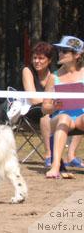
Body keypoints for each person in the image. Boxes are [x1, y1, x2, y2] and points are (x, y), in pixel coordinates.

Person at [42, 36, 84, 179]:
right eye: (59, 50)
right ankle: (55, 167)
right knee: (64, 118)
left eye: (65, 51)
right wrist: (53, 106)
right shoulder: (54, 77)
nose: (60, 53)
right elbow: (44, 108)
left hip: (80, 118)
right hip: (59, 117)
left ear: (77, 55)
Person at [21, 41, 53, 167]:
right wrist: (49, 101)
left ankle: (71, 155)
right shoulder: (27, 71)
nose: (37, 61)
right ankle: (49, 155)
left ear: (49, 60)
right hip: (30, 110)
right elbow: (33, 99)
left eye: (41, 58)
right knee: (45, 114)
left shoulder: (54, 75)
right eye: (35, 58)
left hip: (52, 108)